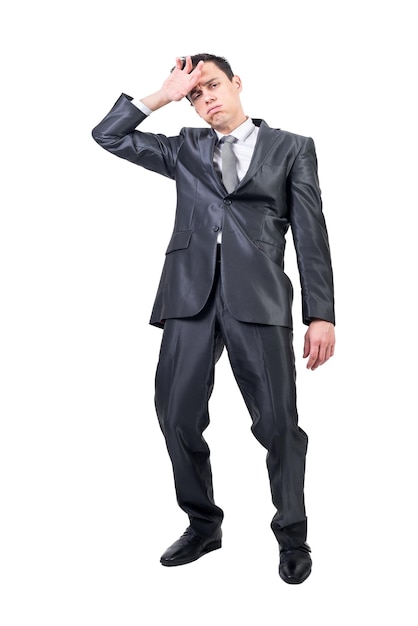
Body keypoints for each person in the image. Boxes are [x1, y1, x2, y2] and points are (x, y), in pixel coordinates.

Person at [92, 53, 335, 584]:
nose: (206, 99)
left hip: (261, 301)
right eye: (195, 94)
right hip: (189, 298)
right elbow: (107, 135)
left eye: (212, 86)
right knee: (176, 416)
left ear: (237, 82)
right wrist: (162, 94)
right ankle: (203, 525)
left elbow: (311, 235)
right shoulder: (184, 148)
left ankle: (293, 536)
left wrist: (321, 314)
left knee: (277, 424)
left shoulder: (292, 148)